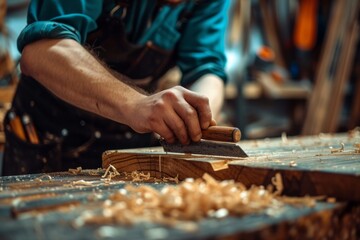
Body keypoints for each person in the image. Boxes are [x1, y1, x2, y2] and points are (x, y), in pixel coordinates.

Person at [2, 0, 230, 175]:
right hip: (49, 135)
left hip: (129, 146)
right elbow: (41, 51)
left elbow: (206, 68)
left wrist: (197, 117)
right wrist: (137, 104)